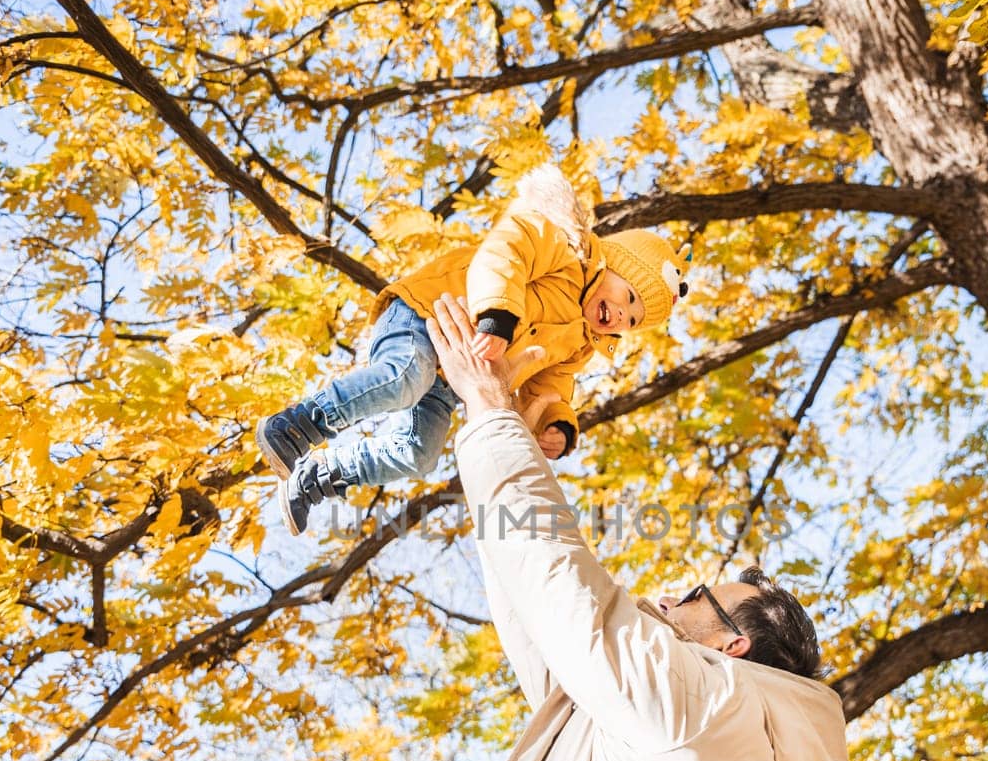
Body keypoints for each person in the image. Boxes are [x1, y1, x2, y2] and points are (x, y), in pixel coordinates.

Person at [382, 293, 852, 761]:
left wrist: (494, 414)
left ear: (733, 648)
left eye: (698, 597)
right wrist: (505, 436)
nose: (666, 594)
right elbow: (541, 606)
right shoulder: (642, 723)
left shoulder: (715, 704)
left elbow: (568, 594)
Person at [256, 165, 691, 533]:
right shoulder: (565, 249)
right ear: (613, 264)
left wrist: (557, 423)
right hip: (430, 316)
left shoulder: (581, 344)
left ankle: (319, 477)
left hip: (451, 377)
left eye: (633, 321)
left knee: (420, 454)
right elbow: (505, 252)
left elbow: (551, 383)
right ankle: (299, 425)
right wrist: (496, 316)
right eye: (629, 298)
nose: (621, 318)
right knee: (405, 377)